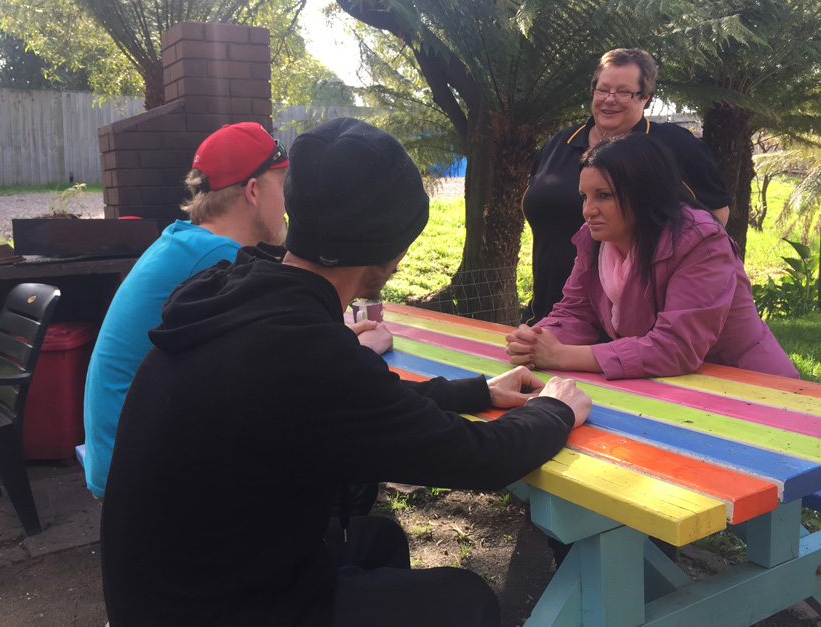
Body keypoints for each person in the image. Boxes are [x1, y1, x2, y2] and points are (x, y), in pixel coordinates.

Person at [101, 117, 592, 627]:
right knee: (465, 601)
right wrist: (556, 410)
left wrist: (477, 391)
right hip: (219, 609)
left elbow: (360, 400)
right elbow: (479, 460)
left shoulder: (241, 291)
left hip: (167, 591)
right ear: (392, 249)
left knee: (376, 540)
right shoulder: (303, 349)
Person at [83, 122, 390, 499]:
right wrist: (354, 349)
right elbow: (299, 362)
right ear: (253, 190)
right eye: (284, 184)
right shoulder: (221, 260)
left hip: (122, 450)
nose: (291, 203)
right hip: (142, 470)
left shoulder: (184, 240)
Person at [506, 132, 798, 380]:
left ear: (644, 192)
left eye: (603, 195)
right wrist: (534, 340)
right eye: (585, 196)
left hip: (750, 386)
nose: (588, 210)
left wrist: (561, 356)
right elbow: (576, 313)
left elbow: (676, 347)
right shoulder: (595, 240)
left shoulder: (702, 242)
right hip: (671, 387)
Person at [522, 48, 732, 325]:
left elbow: (715, 220)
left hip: (639, 326)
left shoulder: (673, 146)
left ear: (645, 97)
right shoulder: (559, 143)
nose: (610, 99)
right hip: (554, 313)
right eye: (603, 89)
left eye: (624, 92)